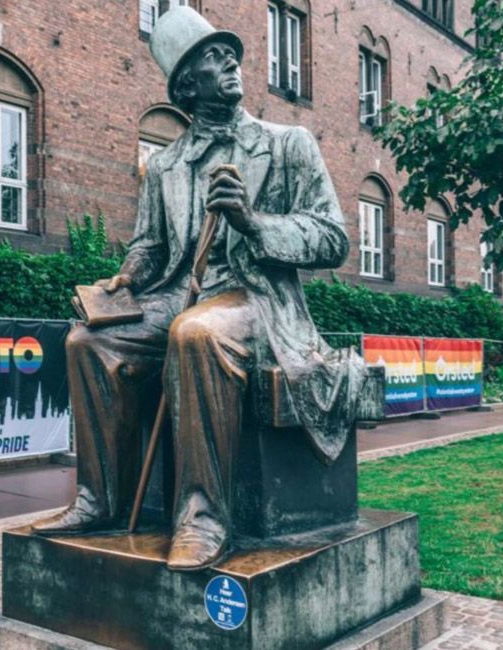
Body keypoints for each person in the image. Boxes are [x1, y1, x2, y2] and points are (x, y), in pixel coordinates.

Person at [33, 7, 366, 571]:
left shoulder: (288, 144)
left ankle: (203, 516)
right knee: (86, 341)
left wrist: (255, 224)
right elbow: (151, 246)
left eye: (228, 52)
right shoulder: (165, 165)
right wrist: (126, 278)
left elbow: (332, 239)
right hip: (176, 294)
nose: (230, 60)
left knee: (197, 332)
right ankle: (101, 501)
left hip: (258, 299)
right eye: (213, 57)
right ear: (188, 84)